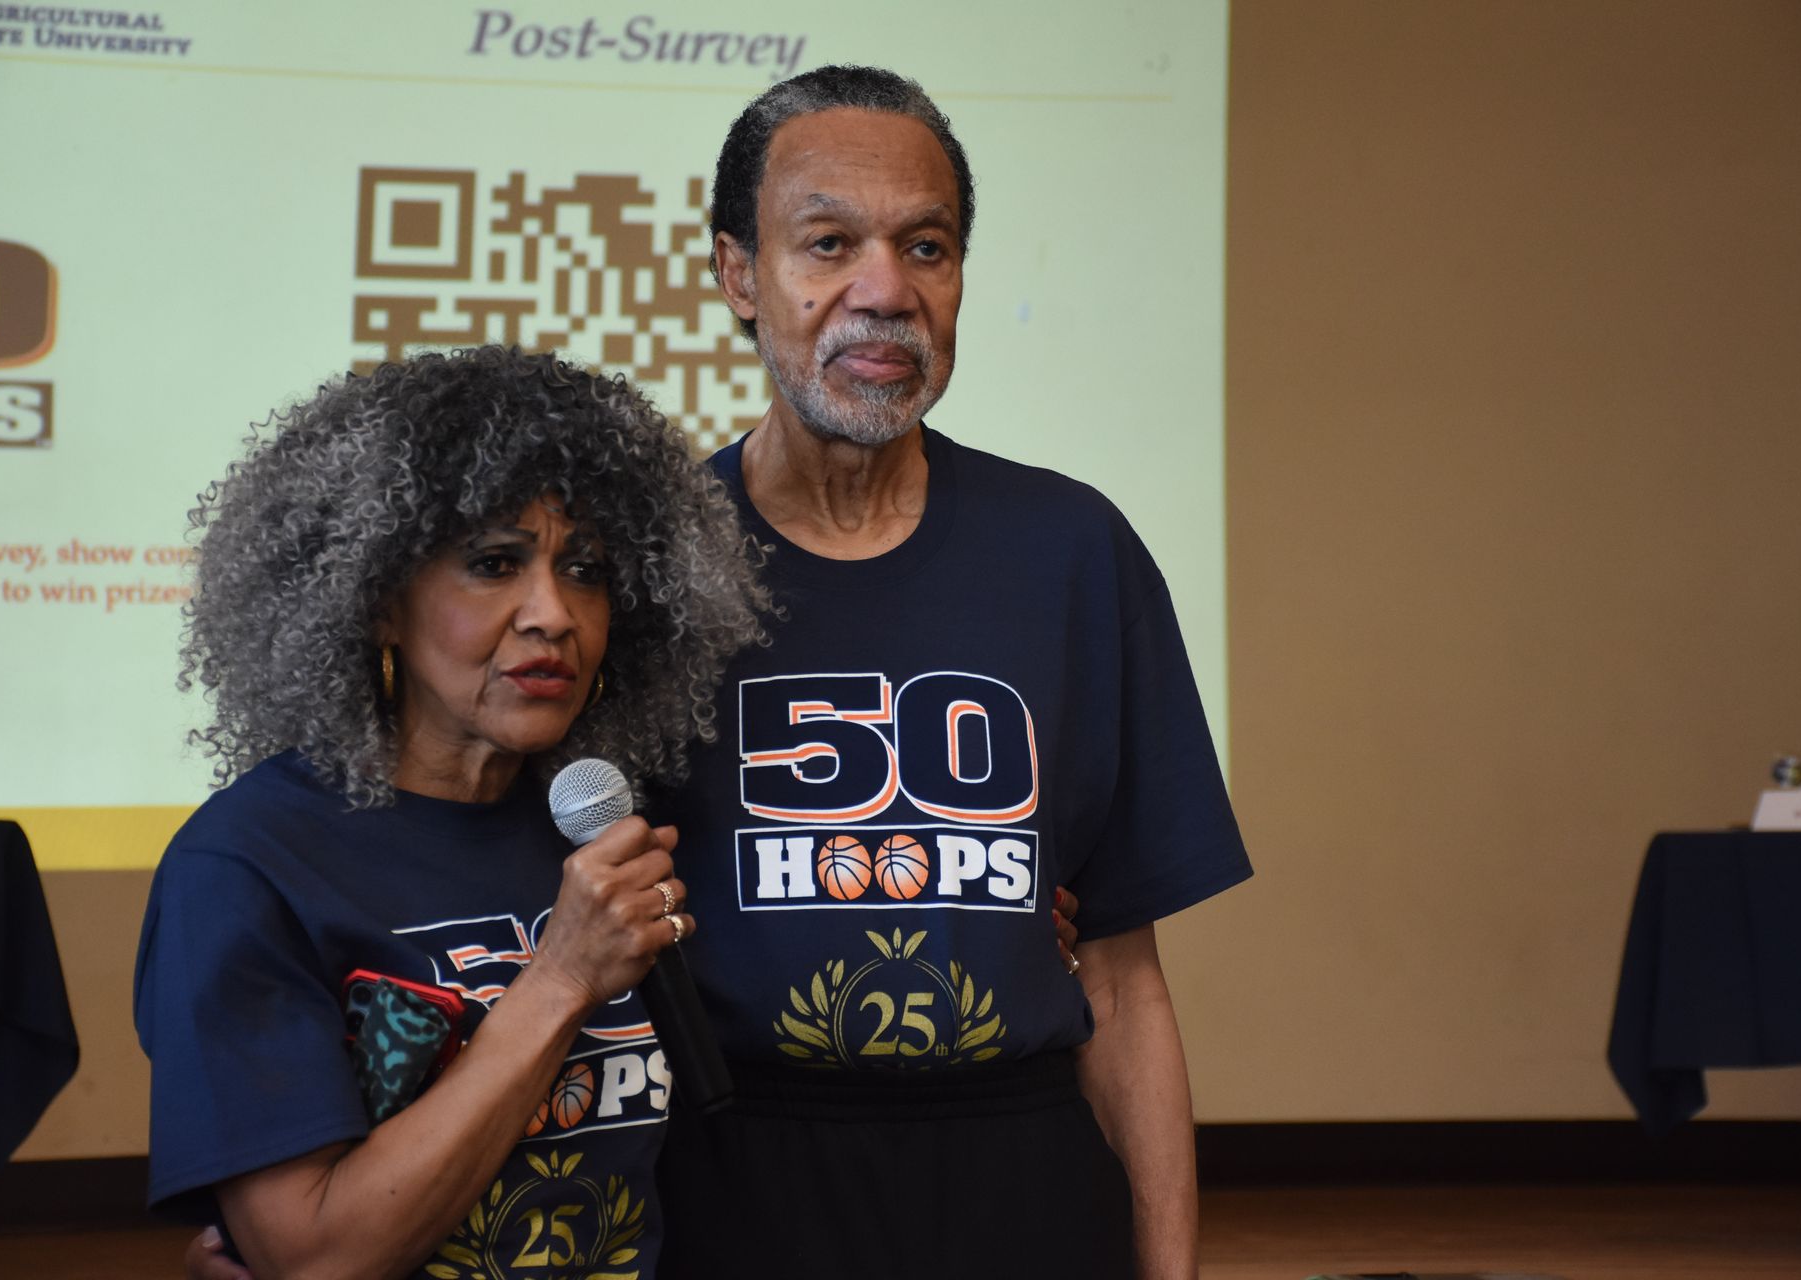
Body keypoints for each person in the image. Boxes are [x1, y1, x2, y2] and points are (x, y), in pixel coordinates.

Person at [647, 65, 1252, 1280]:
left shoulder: (1075, 553)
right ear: (735, 275)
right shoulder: (641, 570)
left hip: (1023, 1173)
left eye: (926, 246)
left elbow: (1127, 992)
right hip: (730, 1174)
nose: (885, 292)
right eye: (827, 244)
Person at [135, 344, 771, 1278]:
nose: (551, 613)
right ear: (379, 597)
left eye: (587, 569)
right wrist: (558, 981)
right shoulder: (247, 866)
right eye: (493, 562)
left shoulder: (605, 828)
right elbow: (317, 1259)